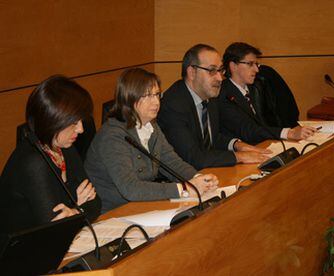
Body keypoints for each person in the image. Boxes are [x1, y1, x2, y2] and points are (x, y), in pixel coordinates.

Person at [85, 68, 218, 213]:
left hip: (142, 208)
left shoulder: (150, 126)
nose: (156, 102)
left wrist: (200, 179)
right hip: (113, 215)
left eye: (157, 94)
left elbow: (172, 163)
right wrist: (185, 188)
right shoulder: (112, 136)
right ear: (130, 97)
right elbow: (131, 188)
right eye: (148, 96)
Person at [0, 75, 101, 235]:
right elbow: (54, 229)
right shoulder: (33, 163)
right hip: (19, 254)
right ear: (53, 120)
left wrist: (75, 211)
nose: (81, 129)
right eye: (74, 122)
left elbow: (95, 204)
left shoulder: (65, 147)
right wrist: (79, 208)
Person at [158, 44, 270, 170]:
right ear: (192, 72)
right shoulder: (173, 105)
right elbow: (193, 157)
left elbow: (212, 138)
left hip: (207, 172)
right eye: (212, 71)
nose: (220, 78)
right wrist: (239, 157)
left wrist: (237, 145)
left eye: (220, 70)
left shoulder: (209, 96)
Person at [220, 42, 316, 143]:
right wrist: (288, 133)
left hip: (267, 142)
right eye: (250, 64)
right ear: (233, 66)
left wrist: (293, 130)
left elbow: (268, 122)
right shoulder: (224, 94)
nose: (256, 69)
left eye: (256, 64)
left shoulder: (256, 87)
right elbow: (248, 130)